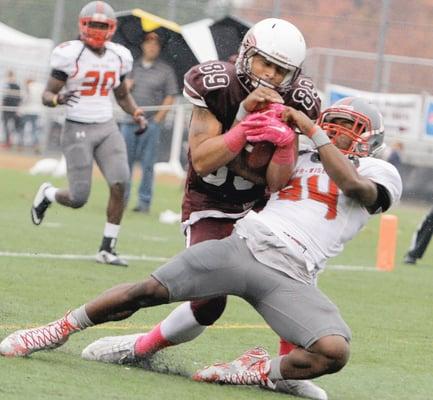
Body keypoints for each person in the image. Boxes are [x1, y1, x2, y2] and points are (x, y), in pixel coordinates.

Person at [0, 98, 402, 400]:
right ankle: (56, 329)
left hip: (292, 275)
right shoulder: (300, 152)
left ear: (370, 138)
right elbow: (258, 175)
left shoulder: (378, 171)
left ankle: (257, 370)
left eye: (347, 127)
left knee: (333, 351)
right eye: (330, 125)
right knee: (149, 290)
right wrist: (254, 122)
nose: (333, 133)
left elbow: (355, 189)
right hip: (245, 245)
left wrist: (312, 133)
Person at [117, 17, 324, 399]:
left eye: (282, 70)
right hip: (210, 202)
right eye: (265, 63)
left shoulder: (299, 101)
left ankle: (285, 373)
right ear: (247, 54)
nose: (271, 75)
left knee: (296, 279)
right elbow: (203, 159)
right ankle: (141, 347)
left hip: (263, 208)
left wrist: (282, 145)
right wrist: (244, 124)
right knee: (208, 303)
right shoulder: (217, 83)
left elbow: (279, 184)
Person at [30, 1, 147, 267]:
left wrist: (136, 112)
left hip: (106, 127)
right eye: (92, 24)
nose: (96, 30)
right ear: (82, 25)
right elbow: (46, 95)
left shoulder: (118, 56)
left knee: (121, 183)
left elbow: (121, 94)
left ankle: (107, 248)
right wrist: (58, 99)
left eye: (102, 25)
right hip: (77, 127)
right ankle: (48, 193)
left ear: (111, 28)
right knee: (78, 198)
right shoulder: (70, 54)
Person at [120, 31, 178, 213]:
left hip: (151, 124)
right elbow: (119, 93)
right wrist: (125, 87)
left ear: (159, 48)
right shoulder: (132, 67)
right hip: (129, 122)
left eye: (156, 44)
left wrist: (157, 121)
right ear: (143, 45)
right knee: (124, 163)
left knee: (147, 164)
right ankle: (121, 199)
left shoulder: (166, 71)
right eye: (148, 43)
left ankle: (144, 203)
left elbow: (170, 96)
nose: (152, 46)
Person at [17, 78, 45, 153]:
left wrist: (20, 109)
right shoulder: (40, 87)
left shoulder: (28, 87)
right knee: (35, 130)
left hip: (26, 111)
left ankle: (20, 145)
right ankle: (36, 146)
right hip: (36, 111)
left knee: (22, 129)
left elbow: (25, 99)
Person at [1, 70, 22, 148]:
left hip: (13, 109)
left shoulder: (16, 86)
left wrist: (17, 109)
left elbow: (19, 98)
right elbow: (5, 98)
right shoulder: (6, 85)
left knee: (15, 127)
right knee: (6, 126)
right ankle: (8, 142)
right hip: (6, 109)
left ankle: (15, 143)